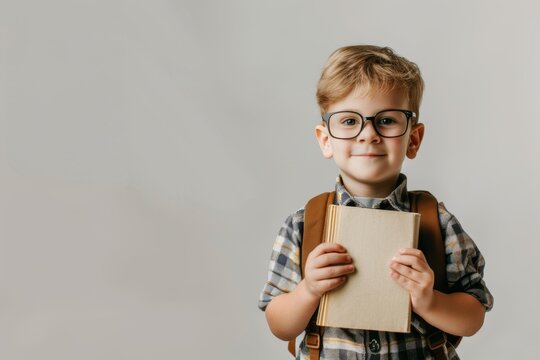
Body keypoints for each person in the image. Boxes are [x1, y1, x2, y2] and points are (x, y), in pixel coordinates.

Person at [258, 45, 493, 359]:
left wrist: (429, 300)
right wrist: (309, 289)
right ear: (325, 140)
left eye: (386, 121)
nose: (368, 134)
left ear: (413, 139)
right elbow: (279, 324)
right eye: (349, 121)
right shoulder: (303, 224)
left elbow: (472, 316)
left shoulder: (438, 223)